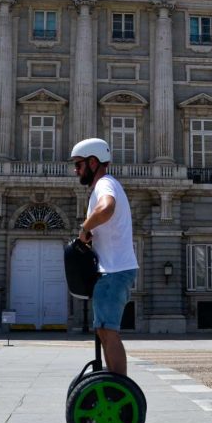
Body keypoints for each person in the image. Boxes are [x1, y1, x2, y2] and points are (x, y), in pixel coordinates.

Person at [71, 138, 139, 376]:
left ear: (93, 162)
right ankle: (115, 382)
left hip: (114, 271)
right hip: (112, 270)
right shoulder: (104, 185)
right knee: (103, 330)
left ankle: (120, 387)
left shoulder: (104, 185)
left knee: (108, 331)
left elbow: (107, 208)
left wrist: (84, 230)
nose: (76, 170)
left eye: (79, 165)